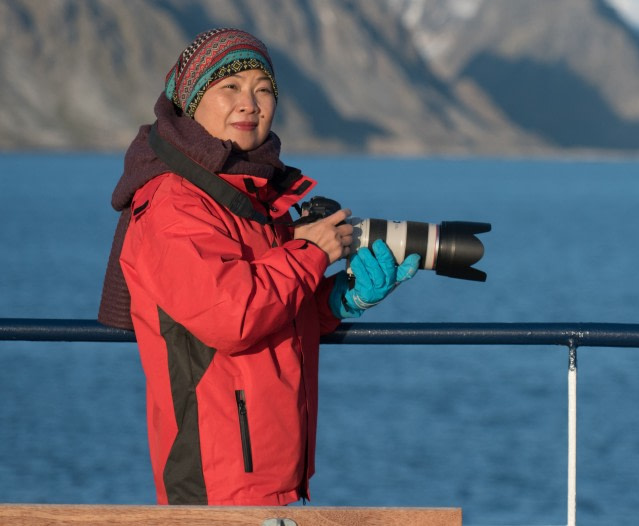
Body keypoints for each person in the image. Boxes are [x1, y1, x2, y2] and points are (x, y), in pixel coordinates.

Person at [98, 27, 420, 506]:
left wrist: (336, 299)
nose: (249, 103)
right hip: (214, 485)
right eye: (229, 87)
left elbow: (272, 305)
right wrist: (312, 252)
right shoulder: (173, 204)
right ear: (191, 101)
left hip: (266, 479)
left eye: (263, 89)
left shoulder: (245, 195)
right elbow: (232, 314)